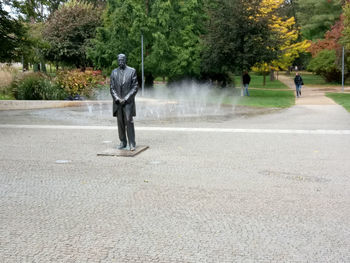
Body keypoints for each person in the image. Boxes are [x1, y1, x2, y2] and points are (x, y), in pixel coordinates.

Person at [110, 54, 138, 151]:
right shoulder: (114, 72)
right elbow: (112, 88)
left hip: (128, 102)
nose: (120, 62)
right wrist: (117, 98)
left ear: (125, 60)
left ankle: (132, 143)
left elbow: (135, 87)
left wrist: (126, 98)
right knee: (120, 122)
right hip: (118, 103)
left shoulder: (132, 71)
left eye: (122, 60)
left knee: (129, 121)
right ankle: (123, 142)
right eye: (119, 60)